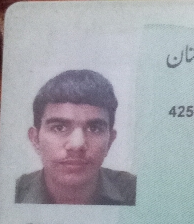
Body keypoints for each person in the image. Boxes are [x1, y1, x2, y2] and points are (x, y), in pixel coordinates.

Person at [15, 70, 136, 205]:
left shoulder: (136, 191)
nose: (77, 145)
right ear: (35, 139)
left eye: (94, 129)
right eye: (59, 128)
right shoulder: (11, 193)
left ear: (110, 141)